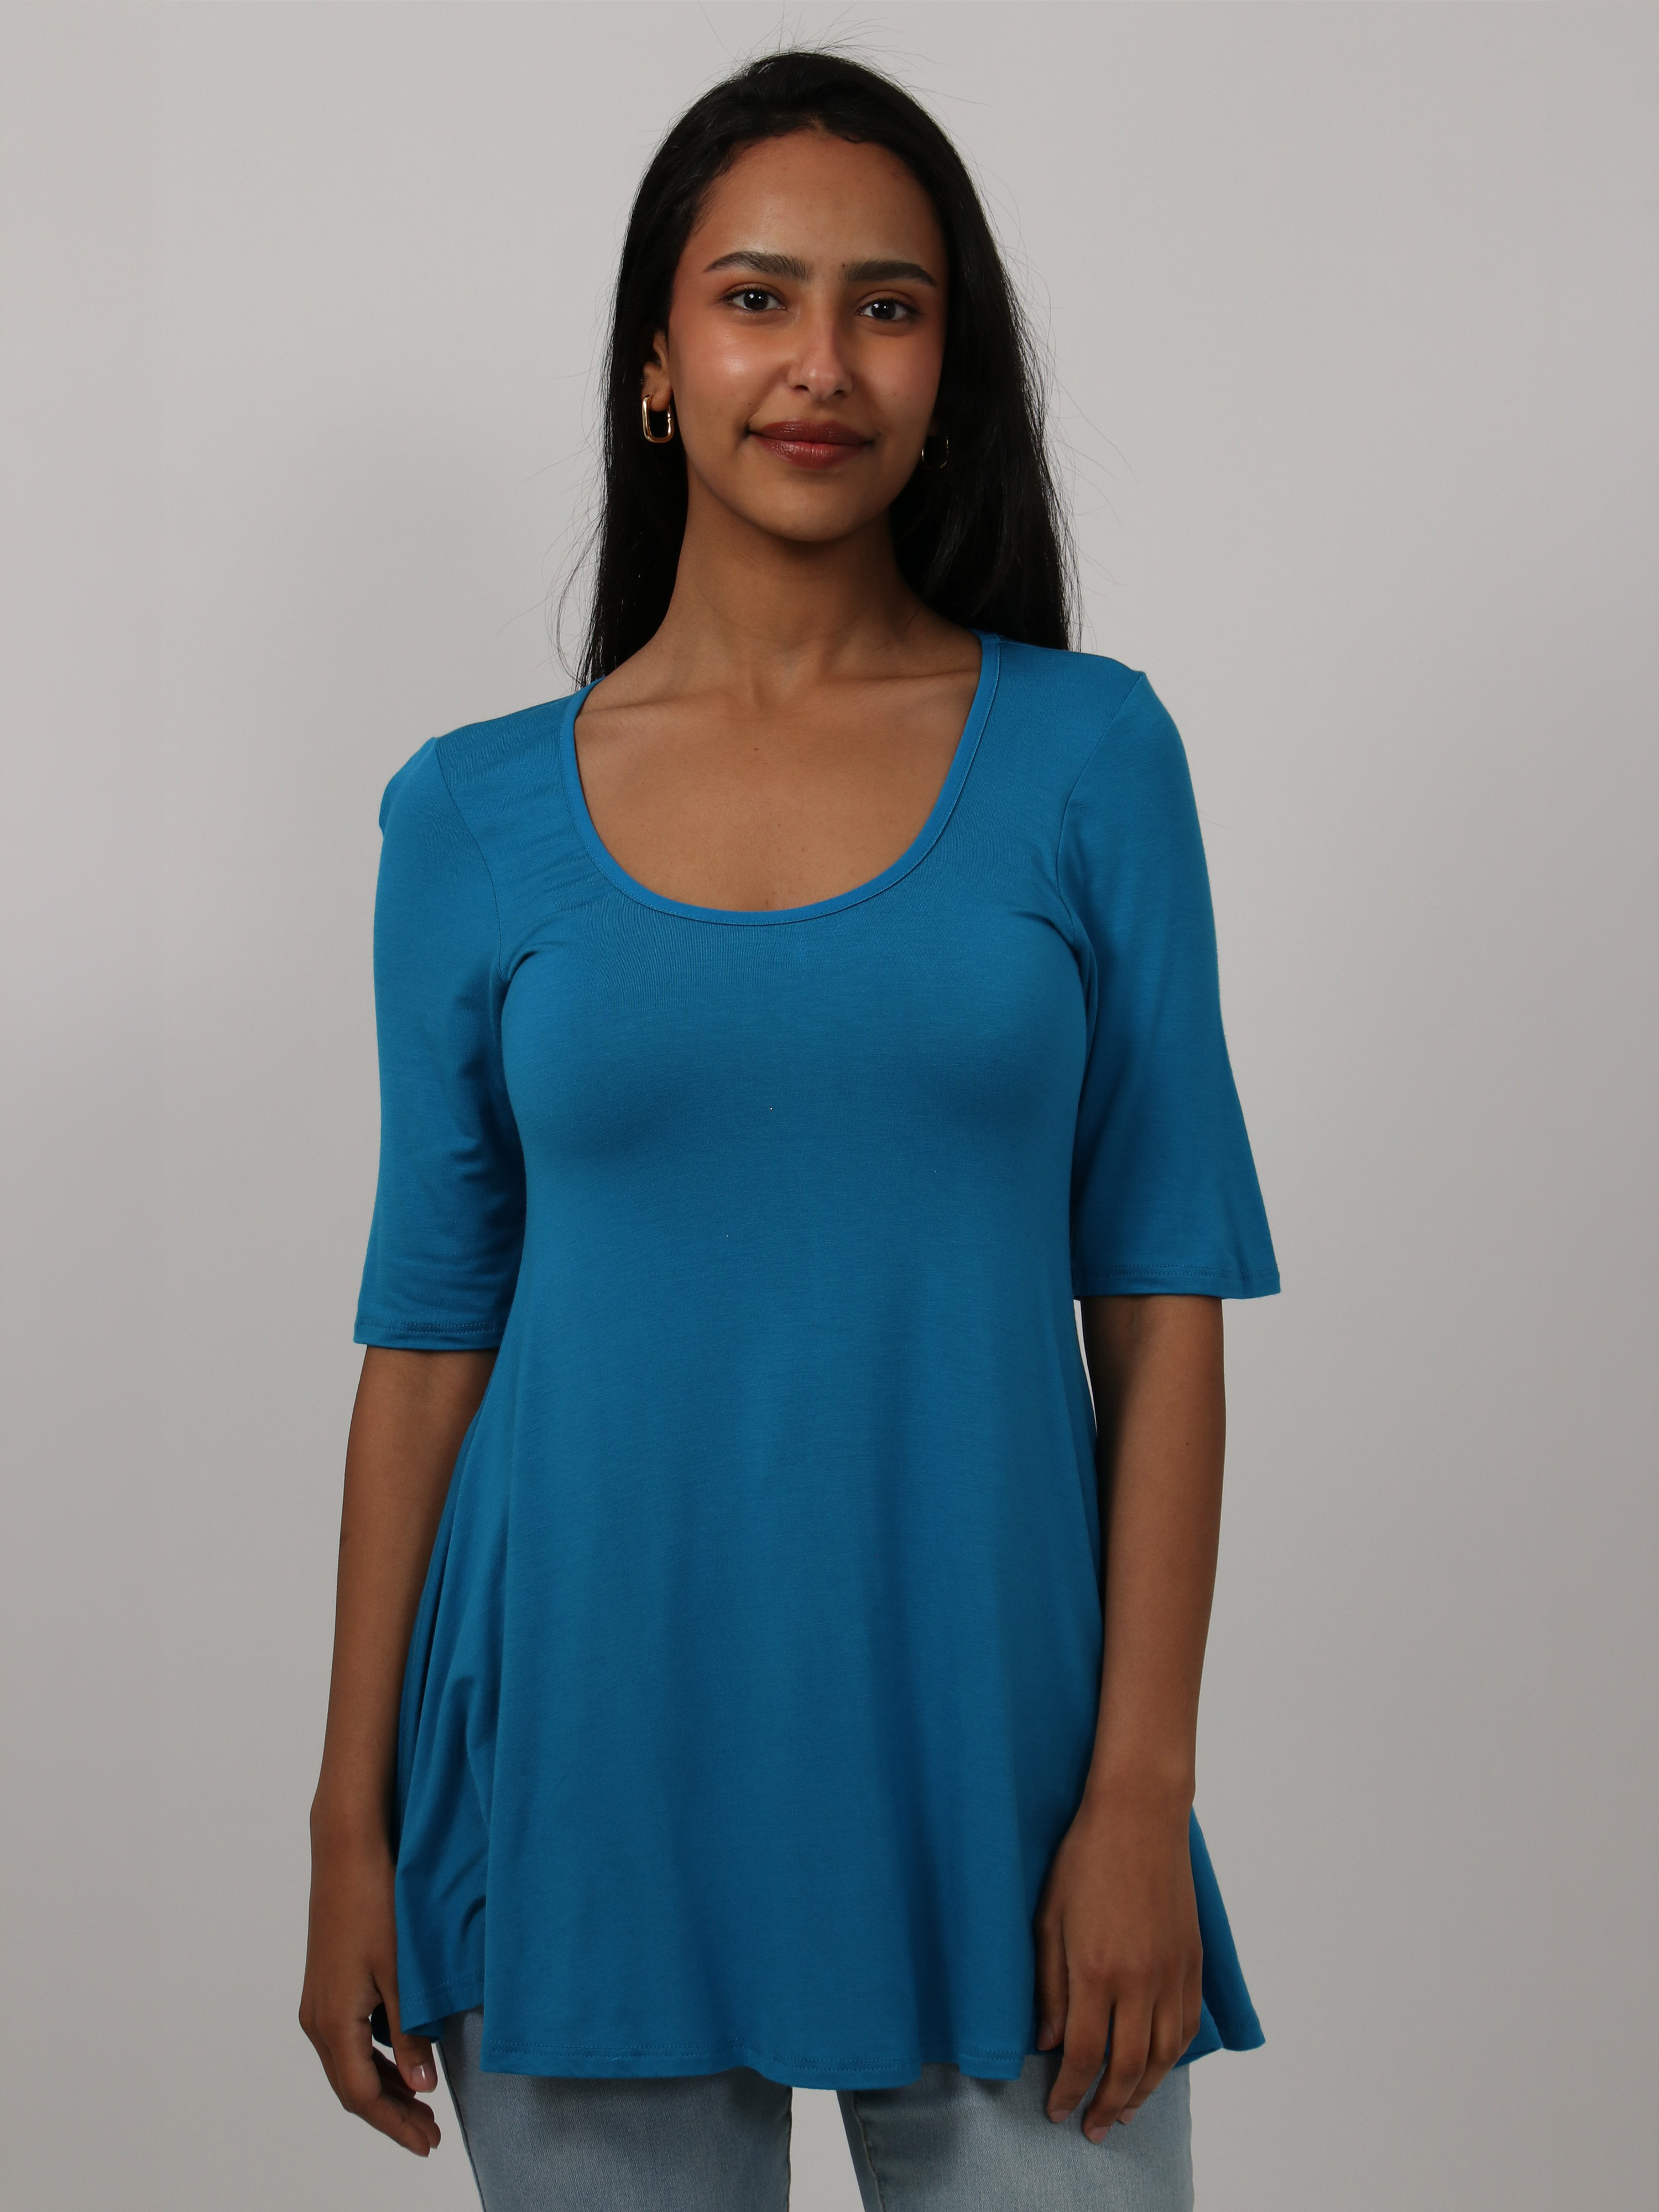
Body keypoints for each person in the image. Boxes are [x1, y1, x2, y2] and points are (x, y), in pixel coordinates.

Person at [299, 49, 1280, 2212]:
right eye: (756, 299)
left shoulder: (1092, 759)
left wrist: (1140, 1791)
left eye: (887, 307)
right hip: (575, 1770)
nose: (820, 362)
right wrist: (346, 1823)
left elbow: (1166, 1307)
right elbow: (429, 1345)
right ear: (658, 363)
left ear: (949, 372)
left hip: (1006, 1780)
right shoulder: (470, 814)